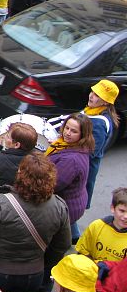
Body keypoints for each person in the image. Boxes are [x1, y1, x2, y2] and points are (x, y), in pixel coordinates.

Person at [0, 154, 71, 292]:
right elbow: (62, 244)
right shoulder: (59, 206)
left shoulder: (0, 203)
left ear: (20, 174)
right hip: (33, 276)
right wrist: (42, 264)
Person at [46, 113, 94, 242]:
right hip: (74, 201)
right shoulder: (72, 146)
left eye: (74, 131)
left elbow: (52, 185)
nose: (67, 133)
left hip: (67, 207)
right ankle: (73, 237)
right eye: (66, 128)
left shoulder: (71, 160)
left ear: (82, 135)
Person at [80, 80, 120, 207]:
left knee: (70, 210)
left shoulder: (100, 123)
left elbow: (91, 152)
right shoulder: (91, 110)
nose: (91, 95)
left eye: (97, 95)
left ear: (106, 102)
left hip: (83, 170)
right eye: (92, 92)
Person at [77, 187, 127, 263]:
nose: (125, 216)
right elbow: (82, 252)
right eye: (122, 211)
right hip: (93, 271)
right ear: (112, 208)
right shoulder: (96, 227)